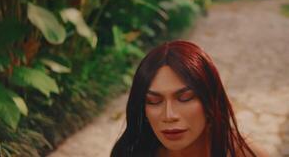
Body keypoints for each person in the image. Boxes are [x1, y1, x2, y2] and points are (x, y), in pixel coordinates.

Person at [111, 40, 268, 157]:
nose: (169, 115)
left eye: (185, 98)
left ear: (210, 101)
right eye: (154, 101)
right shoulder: (129, 152)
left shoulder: (250, 155)